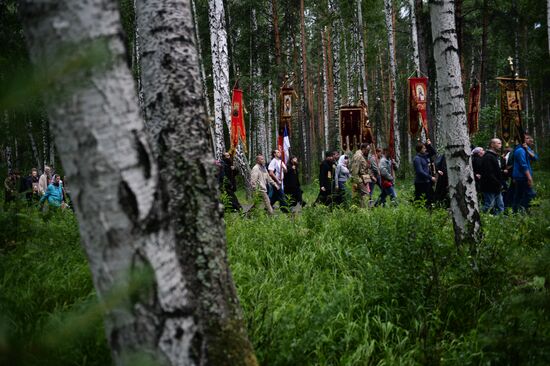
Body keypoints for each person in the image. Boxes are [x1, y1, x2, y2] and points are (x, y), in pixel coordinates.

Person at [512, 134, 538, 213]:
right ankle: (524, 210)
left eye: (529, 138)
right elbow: (523, 165)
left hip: (521, 177)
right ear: (521, 140)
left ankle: (516, 211)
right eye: (527, 138)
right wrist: (529, 178)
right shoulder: (520, 150)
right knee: (530, 194)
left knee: (519, 195)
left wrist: (527, 150)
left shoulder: (526, 149)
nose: (530, 140)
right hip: (522, 177)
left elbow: (535, 158)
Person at [480, 138, 505, 215]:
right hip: (489, 186)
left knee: (500, 205)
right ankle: (476, 214)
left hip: (496, 186)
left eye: (500, 143)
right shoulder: (488, 157)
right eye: (498, 143)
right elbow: (489, 173)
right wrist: (497, 183)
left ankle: (500, 221)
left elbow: (496, 171)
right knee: (489, 205)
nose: (500, 145)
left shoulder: (494, 156)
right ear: (492, 145)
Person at [413, 139, 436, 207]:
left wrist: (429, 145)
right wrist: (430, 177)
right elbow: (420, 171)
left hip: (427, 182)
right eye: (424, 148)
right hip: (420, 183)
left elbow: (433, 152)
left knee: (430, 199)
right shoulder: (417, 159)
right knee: (420, 201)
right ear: (420, 149)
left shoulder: (425, 156)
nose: (425, 149)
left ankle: (429, 214)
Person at [350, 143, 371, 208]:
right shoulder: (358, 156)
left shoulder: (362, 156)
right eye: (368, 150)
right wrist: (355, 182)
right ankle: (364, 211)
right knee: (365, 195)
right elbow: (355, 169)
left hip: (364, 178)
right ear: (363, 149)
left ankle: (360, 210)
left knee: (361, 196)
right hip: (360, 179)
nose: (368, 152)